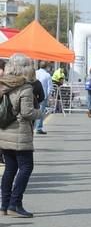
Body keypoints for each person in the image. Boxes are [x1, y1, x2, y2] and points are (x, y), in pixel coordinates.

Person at [0, 54, 41, 218]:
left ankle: (4, 204)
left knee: (10, 169)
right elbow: (27, 113)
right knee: (26, 167)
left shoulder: (3, 84)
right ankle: (15, 204)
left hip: (4, 132)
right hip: (19, 133)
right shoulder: (25, 87)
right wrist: (41, 113)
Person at [34, 61, 52, 134]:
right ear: (46, 67)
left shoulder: (35, 73)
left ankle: (33, 126)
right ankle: (38, 128)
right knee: (41, 112)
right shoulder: (47, 75)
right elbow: (50, 87)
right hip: (42, 96)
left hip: (34, 95)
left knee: (33, 111)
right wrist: (47, 96)